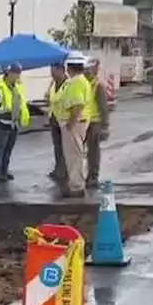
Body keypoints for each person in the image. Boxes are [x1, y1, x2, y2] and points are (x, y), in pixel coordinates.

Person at [60, 54, 93, 198]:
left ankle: (76, 186)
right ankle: (75, 183)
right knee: (75, 154)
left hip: (75, 123)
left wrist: (70, 122)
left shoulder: (76, 83)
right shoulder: (80, 81)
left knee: (74, 156)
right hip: (78, 122)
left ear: (69, 67)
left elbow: (77, 104)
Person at [0, 63, 31, 181]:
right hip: (1, 121)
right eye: (15, 73)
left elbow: (21, 103)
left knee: (8, 149)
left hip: (13, 122)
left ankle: (4, 170)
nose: (17, 76)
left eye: (19, 73)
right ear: (8, 73)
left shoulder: (18, 86)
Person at [85, 59, 112, 187]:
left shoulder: (98, 86)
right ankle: (85, 175)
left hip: (94, 123)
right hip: (83, 122)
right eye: (94, 68)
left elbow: (103, 108)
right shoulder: (83, 83)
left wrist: (105, 126)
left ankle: (93, 176)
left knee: (93, 151)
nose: (95, 71)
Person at [46, 63, 69, 182]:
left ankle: (64, 170)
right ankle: (58, 168)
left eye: (54, 71)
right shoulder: (53, 84)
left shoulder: (68, 84)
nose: (52, 74)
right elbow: (50, 98)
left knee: (65, 146)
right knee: (57, 146)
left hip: (64, 119)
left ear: (61, 70)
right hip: (54, 118)